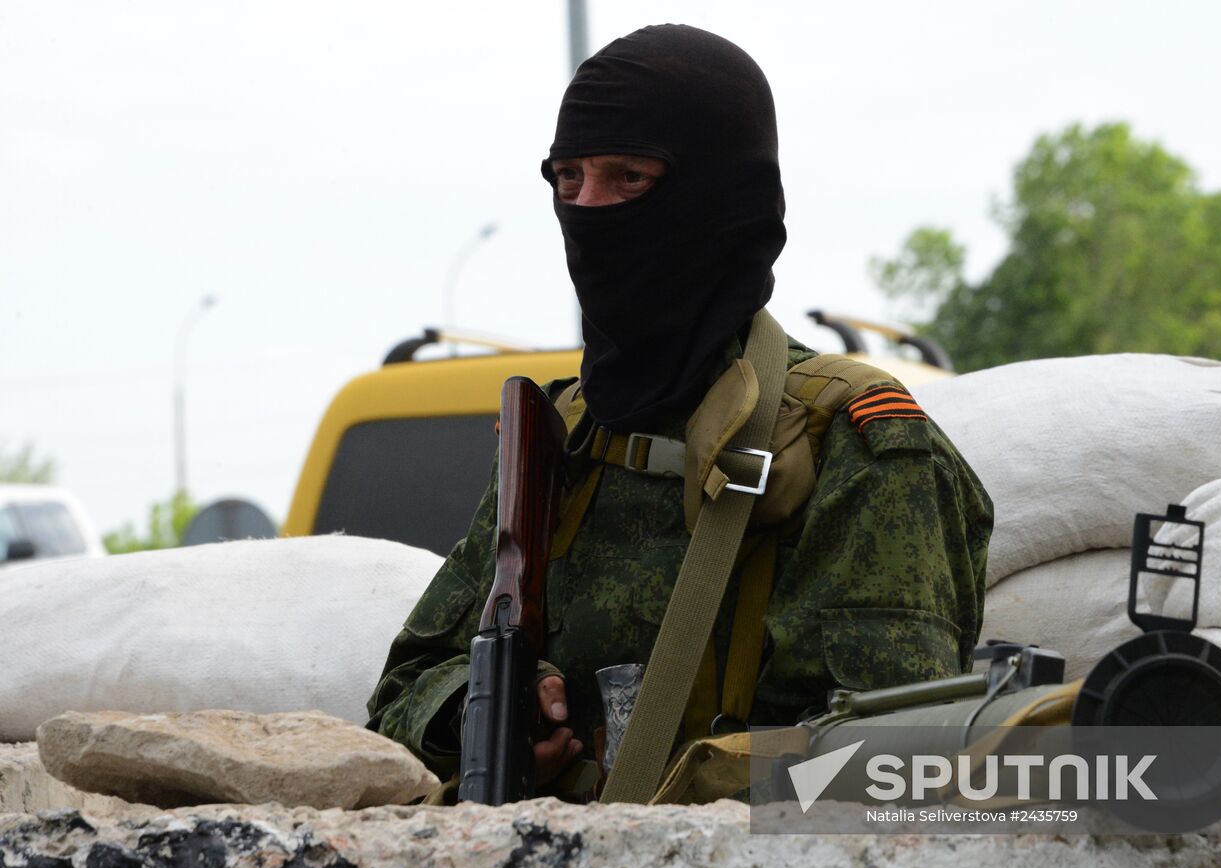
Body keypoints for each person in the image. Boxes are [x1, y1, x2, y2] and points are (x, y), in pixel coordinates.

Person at [367, 24, 992, 797]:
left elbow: (893, 772)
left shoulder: (850, 446)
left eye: (628, 178)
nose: (588, 210)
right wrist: (484, 715)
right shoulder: (562, 438)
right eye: (568, 179)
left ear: (722, 197)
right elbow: (400, 695)